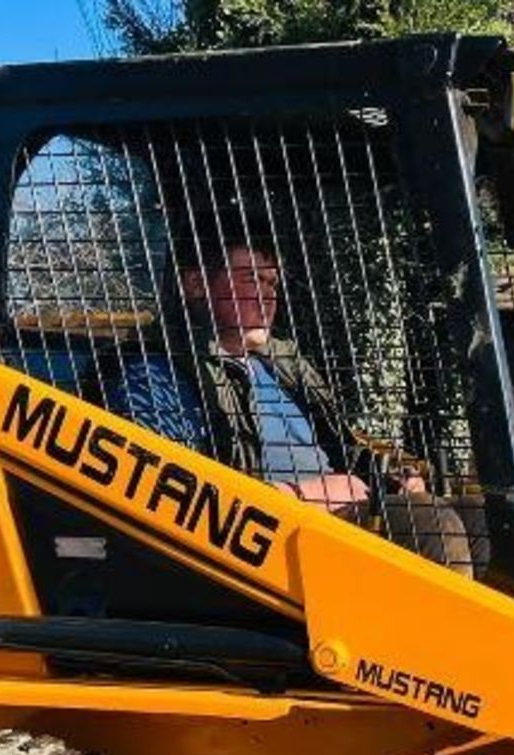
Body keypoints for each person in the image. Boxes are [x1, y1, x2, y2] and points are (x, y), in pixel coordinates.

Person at [101, 219, 474, 571]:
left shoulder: (284, 366)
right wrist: (303, 496)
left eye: (272, 283)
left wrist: (391, 476)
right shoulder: (157, 375)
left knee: (479, 521)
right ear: (197, 283)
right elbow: (168, 499)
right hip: (268, 552)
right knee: (431, 527)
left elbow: (344, 449)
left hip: (339, 523)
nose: (267, 296)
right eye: (251, 280)